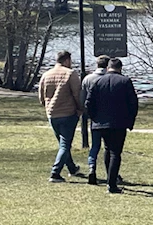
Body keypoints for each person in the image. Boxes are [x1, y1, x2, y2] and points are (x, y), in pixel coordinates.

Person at [85, 58, 138, 194]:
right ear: (120, 68)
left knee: (107, 150)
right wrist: (130, 121)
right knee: (115, 152)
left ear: (108, 68)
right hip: (119, 123)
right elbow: (133, 104)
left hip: (100, 123)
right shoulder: (125, 81)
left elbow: (89, 103)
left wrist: (94, 118)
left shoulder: (97, 81)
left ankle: (110, 180)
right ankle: (112, 183)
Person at [39, 50, 84, 182]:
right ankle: (55, 172)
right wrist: (80, 108)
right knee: (65, 144)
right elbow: (77, 94)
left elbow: (41, 96)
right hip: (68, 113)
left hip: (52, 114)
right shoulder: (70, 74)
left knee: (63, 143)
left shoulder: (46, 75)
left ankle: (71, 168)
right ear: (67, 60)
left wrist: (47, 107)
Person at [80, 55, 121, 185]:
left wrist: (90, 114)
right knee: (110, 149)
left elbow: (84, 99)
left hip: (95, 119)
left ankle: (92, 168)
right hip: (111, 118)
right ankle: (112, 174)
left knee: (95, 146)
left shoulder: (88, 79)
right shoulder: (112, 78)